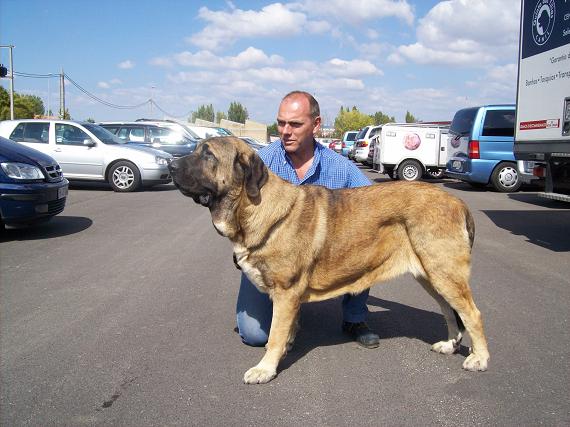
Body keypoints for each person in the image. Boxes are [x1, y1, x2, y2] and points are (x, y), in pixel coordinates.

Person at [235, 91, 380, 349]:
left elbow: (373, 204)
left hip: (319, 255)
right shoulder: (262, 163)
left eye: (295, 124)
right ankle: (289, 306)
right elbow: (239, 211)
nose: (285, 131)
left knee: (365, 242)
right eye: (281, 123)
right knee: (254, 335)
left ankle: (354, 318)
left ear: (316, 124)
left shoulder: (340, 167)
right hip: (268, 260)